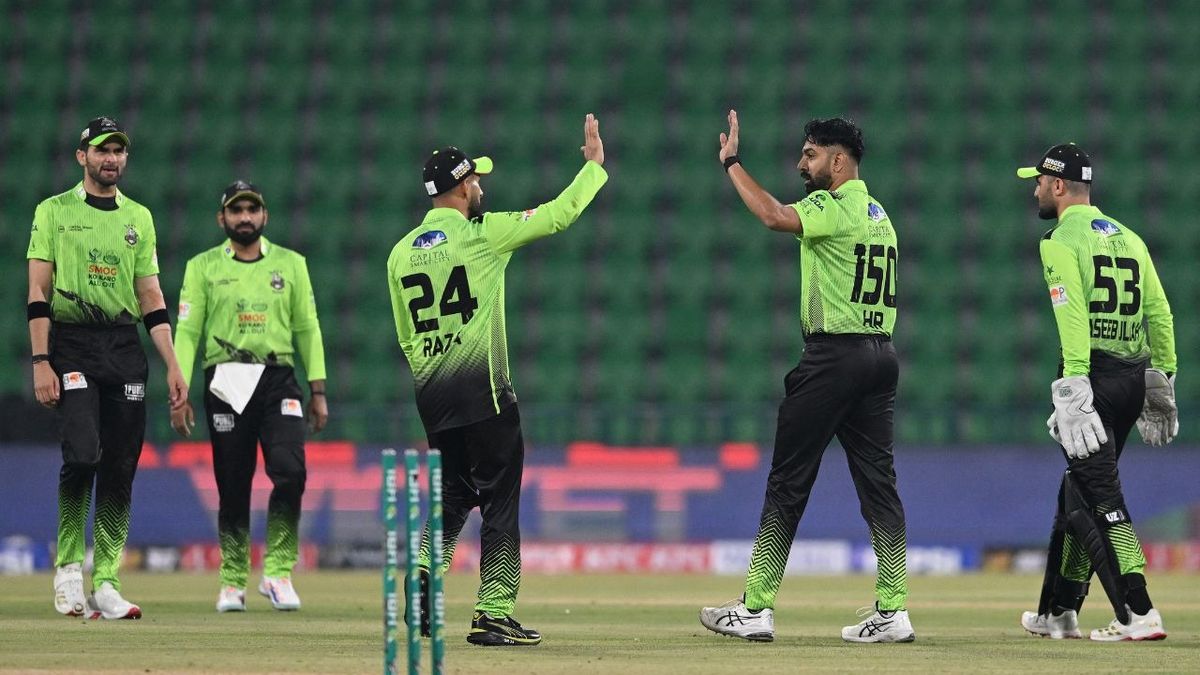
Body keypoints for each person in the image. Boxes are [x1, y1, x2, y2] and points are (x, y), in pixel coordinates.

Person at [387, 114, 607, 646]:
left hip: (433, 395)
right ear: (462, 187)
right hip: (484, 391)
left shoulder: (399, 253)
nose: (481, 186)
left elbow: (406, 338)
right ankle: (493, 611)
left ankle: (424, 573)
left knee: (454, 493)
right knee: (499, 498)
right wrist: (593, 168)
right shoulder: (482, 234)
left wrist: (432, 375)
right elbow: (558, 215)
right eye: (476, 179)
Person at [699, 111, 914, 643]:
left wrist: (731, 163)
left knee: (788, 481)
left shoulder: (832, 206)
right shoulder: (881, 216)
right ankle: (893, 609)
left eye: (811, 154)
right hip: (880, 357)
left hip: (833, 358)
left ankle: (756, 606)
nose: (801, 164)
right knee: (880, 486)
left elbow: (773, 216)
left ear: (838, 162)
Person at [28, 116, 187, 620]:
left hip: (123, 346)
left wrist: (173, 364)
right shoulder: (53, 211)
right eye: (102, 150)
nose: (111, 158)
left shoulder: (138, 216)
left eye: (118, 150)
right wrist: (41, 360)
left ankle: (108, 582)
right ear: (83, 157)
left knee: (120, 465)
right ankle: (68, 568)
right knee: (82, 454)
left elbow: (151, 298)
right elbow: (38, 291)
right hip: (72, 343)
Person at [1016, 144, 1174, 641]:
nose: (1036, 190)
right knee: (1076, 491)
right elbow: (1159, 312)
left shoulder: (1060, 241)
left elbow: (1071, 315)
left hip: (1094, 380)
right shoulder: (1130, 238)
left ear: (1059, 185)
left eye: (1040, 181)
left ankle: (1137, 611)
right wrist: (1164, 374)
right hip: (1132, 378)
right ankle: (1058, 610)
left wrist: (1074, 383)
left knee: (1099, 496)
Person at [171, 181, 329, 612]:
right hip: (226, 380)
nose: (245, 217)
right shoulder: (202, 267)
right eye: (236, 210)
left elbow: (307, 328)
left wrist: (317, 389)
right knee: (232, 481)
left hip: (278, 378)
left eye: (252, 210)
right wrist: (179, 388)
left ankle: (277, 572)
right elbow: (188, 331)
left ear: (265, 216)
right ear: (222, 218)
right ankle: (232, 580)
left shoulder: (291, 264)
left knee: (291, 472)